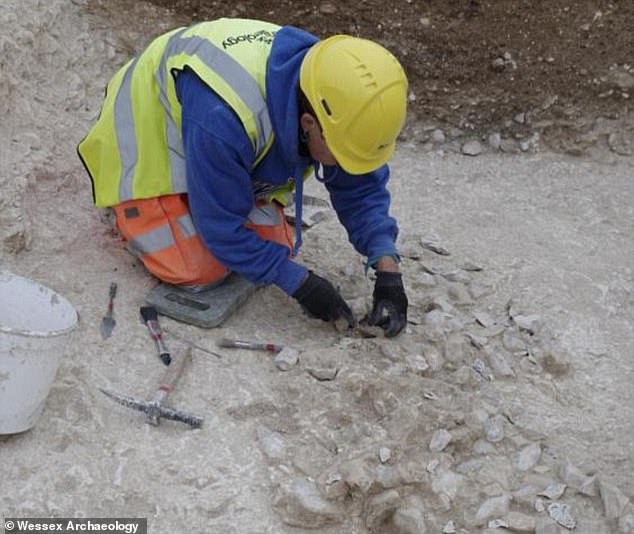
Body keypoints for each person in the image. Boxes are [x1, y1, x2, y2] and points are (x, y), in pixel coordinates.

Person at [78, 18, 409, 337]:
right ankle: (131, 213)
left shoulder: (332, 92)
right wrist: (300, 284)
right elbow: (221, 229)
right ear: (308, 124)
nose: (346, 165)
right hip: (149, 144)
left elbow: (361, 186)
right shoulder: (225, 117)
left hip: (211, 140)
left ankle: (212, 186)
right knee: (200, 270)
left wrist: (386, 266)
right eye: (342, 154)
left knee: (274, 248)